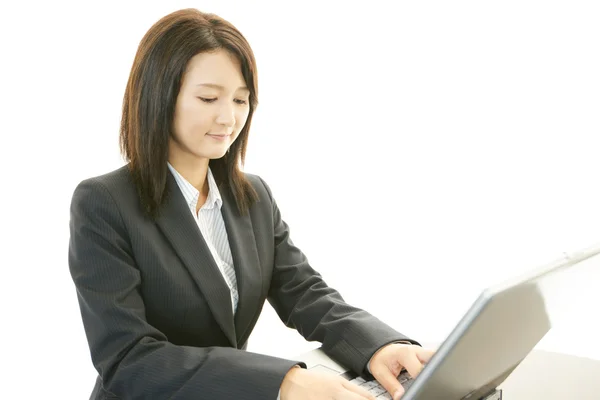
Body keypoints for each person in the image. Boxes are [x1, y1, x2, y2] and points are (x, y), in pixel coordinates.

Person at [68, 8, 434, 400]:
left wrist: (379, 347)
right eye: (209, 97)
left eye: (241, 100)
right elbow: (128, 359)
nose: (228, 117)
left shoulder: (252, 197)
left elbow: (306, 293)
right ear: (160, 94)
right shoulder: (104, 203)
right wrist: (285, 381)